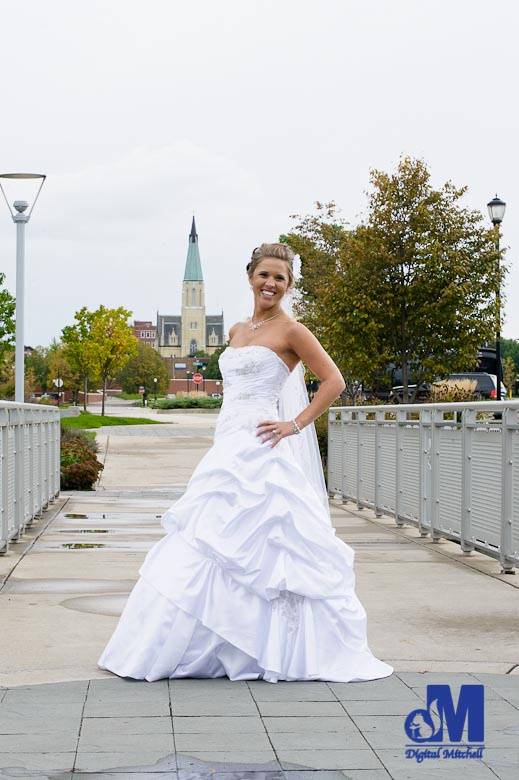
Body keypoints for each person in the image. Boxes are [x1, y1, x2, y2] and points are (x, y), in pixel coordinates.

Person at [98, 242, 393, 683]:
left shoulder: (293, 331)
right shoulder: (236, 331)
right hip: (227, 444)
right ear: (250, 277)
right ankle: (210, 644)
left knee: (268, 543)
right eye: (264, 275)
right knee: (208, 540)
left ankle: (269, 648)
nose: (271, 283)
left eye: (280, 278)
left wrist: (294, 424)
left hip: (264, 444)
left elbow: (334, 381)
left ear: (288, 285)